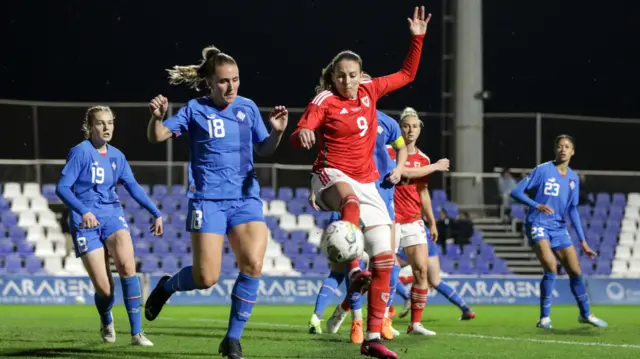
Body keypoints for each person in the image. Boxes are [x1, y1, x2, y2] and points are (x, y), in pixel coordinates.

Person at [290, 6, 430, 358]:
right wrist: (304, 131)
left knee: (384, 259)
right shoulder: (324, 100)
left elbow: (407, 74)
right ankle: (352, 265)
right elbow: (301, 132)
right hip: (331, 175)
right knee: (349, 204)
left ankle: (371, 339)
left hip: (368, 183)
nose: (347, 82)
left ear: (360, 74)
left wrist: (418, 38)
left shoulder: (370, 88)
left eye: (352, 75)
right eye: (341, 76)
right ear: (332, 77)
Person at [143, 45, 289, 358]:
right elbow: (158, 137)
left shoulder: (248, 108)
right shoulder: (195, 108)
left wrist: (276, 133)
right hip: (207, 201)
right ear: (210, 82)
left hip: (245, 198)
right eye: (224, 81)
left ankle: (232, 339)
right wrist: (156, 119)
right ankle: (167, 286)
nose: (231, 86)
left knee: (253, 263)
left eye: (236, 79)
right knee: (206, 278)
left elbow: (264, 150)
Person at [55, 106, 162, 346]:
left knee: (126, 266)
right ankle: (106, 318)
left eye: (110, 123)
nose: (106, 128)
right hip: (85, 221)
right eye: (101, 123)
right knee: (105, 290)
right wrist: (84, 211)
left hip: (112, 214)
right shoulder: (80, 153)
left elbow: (132, 186)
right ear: (90, 127)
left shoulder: (117, 156)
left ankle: (137, 333)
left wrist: (155, 212)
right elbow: (61, 188)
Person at [308, 108, 406, 344]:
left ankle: (374, 319)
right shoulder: (340, 116)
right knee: (349, 266)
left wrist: (400, 169)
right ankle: (357, 322)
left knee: (387, 267)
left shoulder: (388, 123)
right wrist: (316, 187)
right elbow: (326, 152)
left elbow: (402, 149)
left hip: (380, 200)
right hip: (349, 194)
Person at [388, 107, 474, 337]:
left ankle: (415, 324)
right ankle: (382, 322)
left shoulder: (423, 158)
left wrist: (432, 222)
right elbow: (403, 171)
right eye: (406, 125)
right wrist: (435, 167)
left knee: (422, 272)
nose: (410, 130)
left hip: (414, 221)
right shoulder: (389, 152)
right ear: (399, 127)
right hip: (391, 220)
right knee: (388, 272)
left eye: (415, 126)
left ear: (420, 129)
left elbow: (423, 192)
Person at [510, 134, 607, 329]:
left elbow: (572, 210)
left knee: (575, 271)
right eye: (559, 146)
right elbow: (516, 192)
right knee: (551, 266)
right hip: (538, 223)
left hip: (559, 227)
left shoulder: (573, 178)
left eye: (567, 146)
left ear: (573, 151)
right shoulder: (543, 170)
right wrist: (536, 205)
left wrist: (583, 242)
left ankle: (585, 314)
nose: (562, 149)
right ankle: (544, 318)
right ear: (555, 149)